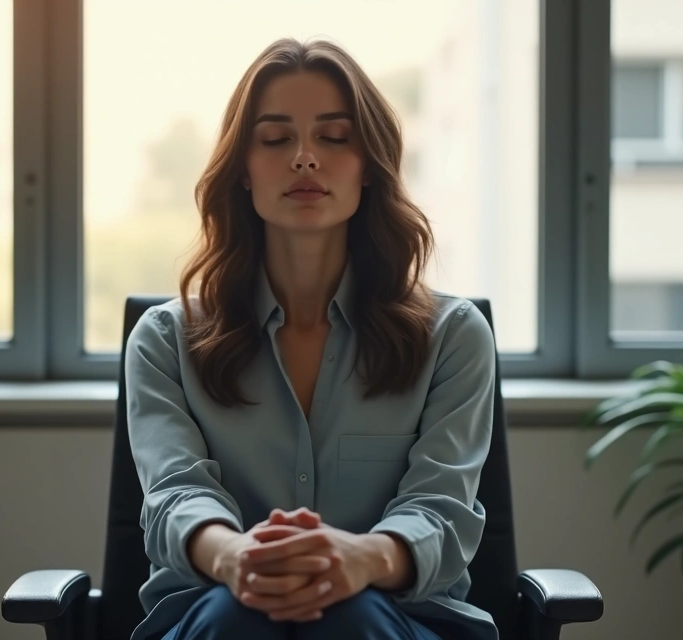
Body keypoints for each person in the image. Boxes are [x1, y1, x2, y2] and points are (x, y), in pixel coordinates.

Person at [124, 37, 498, 640]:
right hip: (218, 611)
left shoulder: (452, 337)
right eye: (275, 139)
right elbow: (175, 494)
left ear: (370, 165)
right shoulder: (165, 340)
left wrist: (362, 559)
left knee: (351, 614)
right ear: (242, 169)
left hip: (396, 616)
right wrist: (235, 559)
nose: (304, 158)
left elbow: (441, 511)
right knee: (234, 613)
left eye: (333, 137)